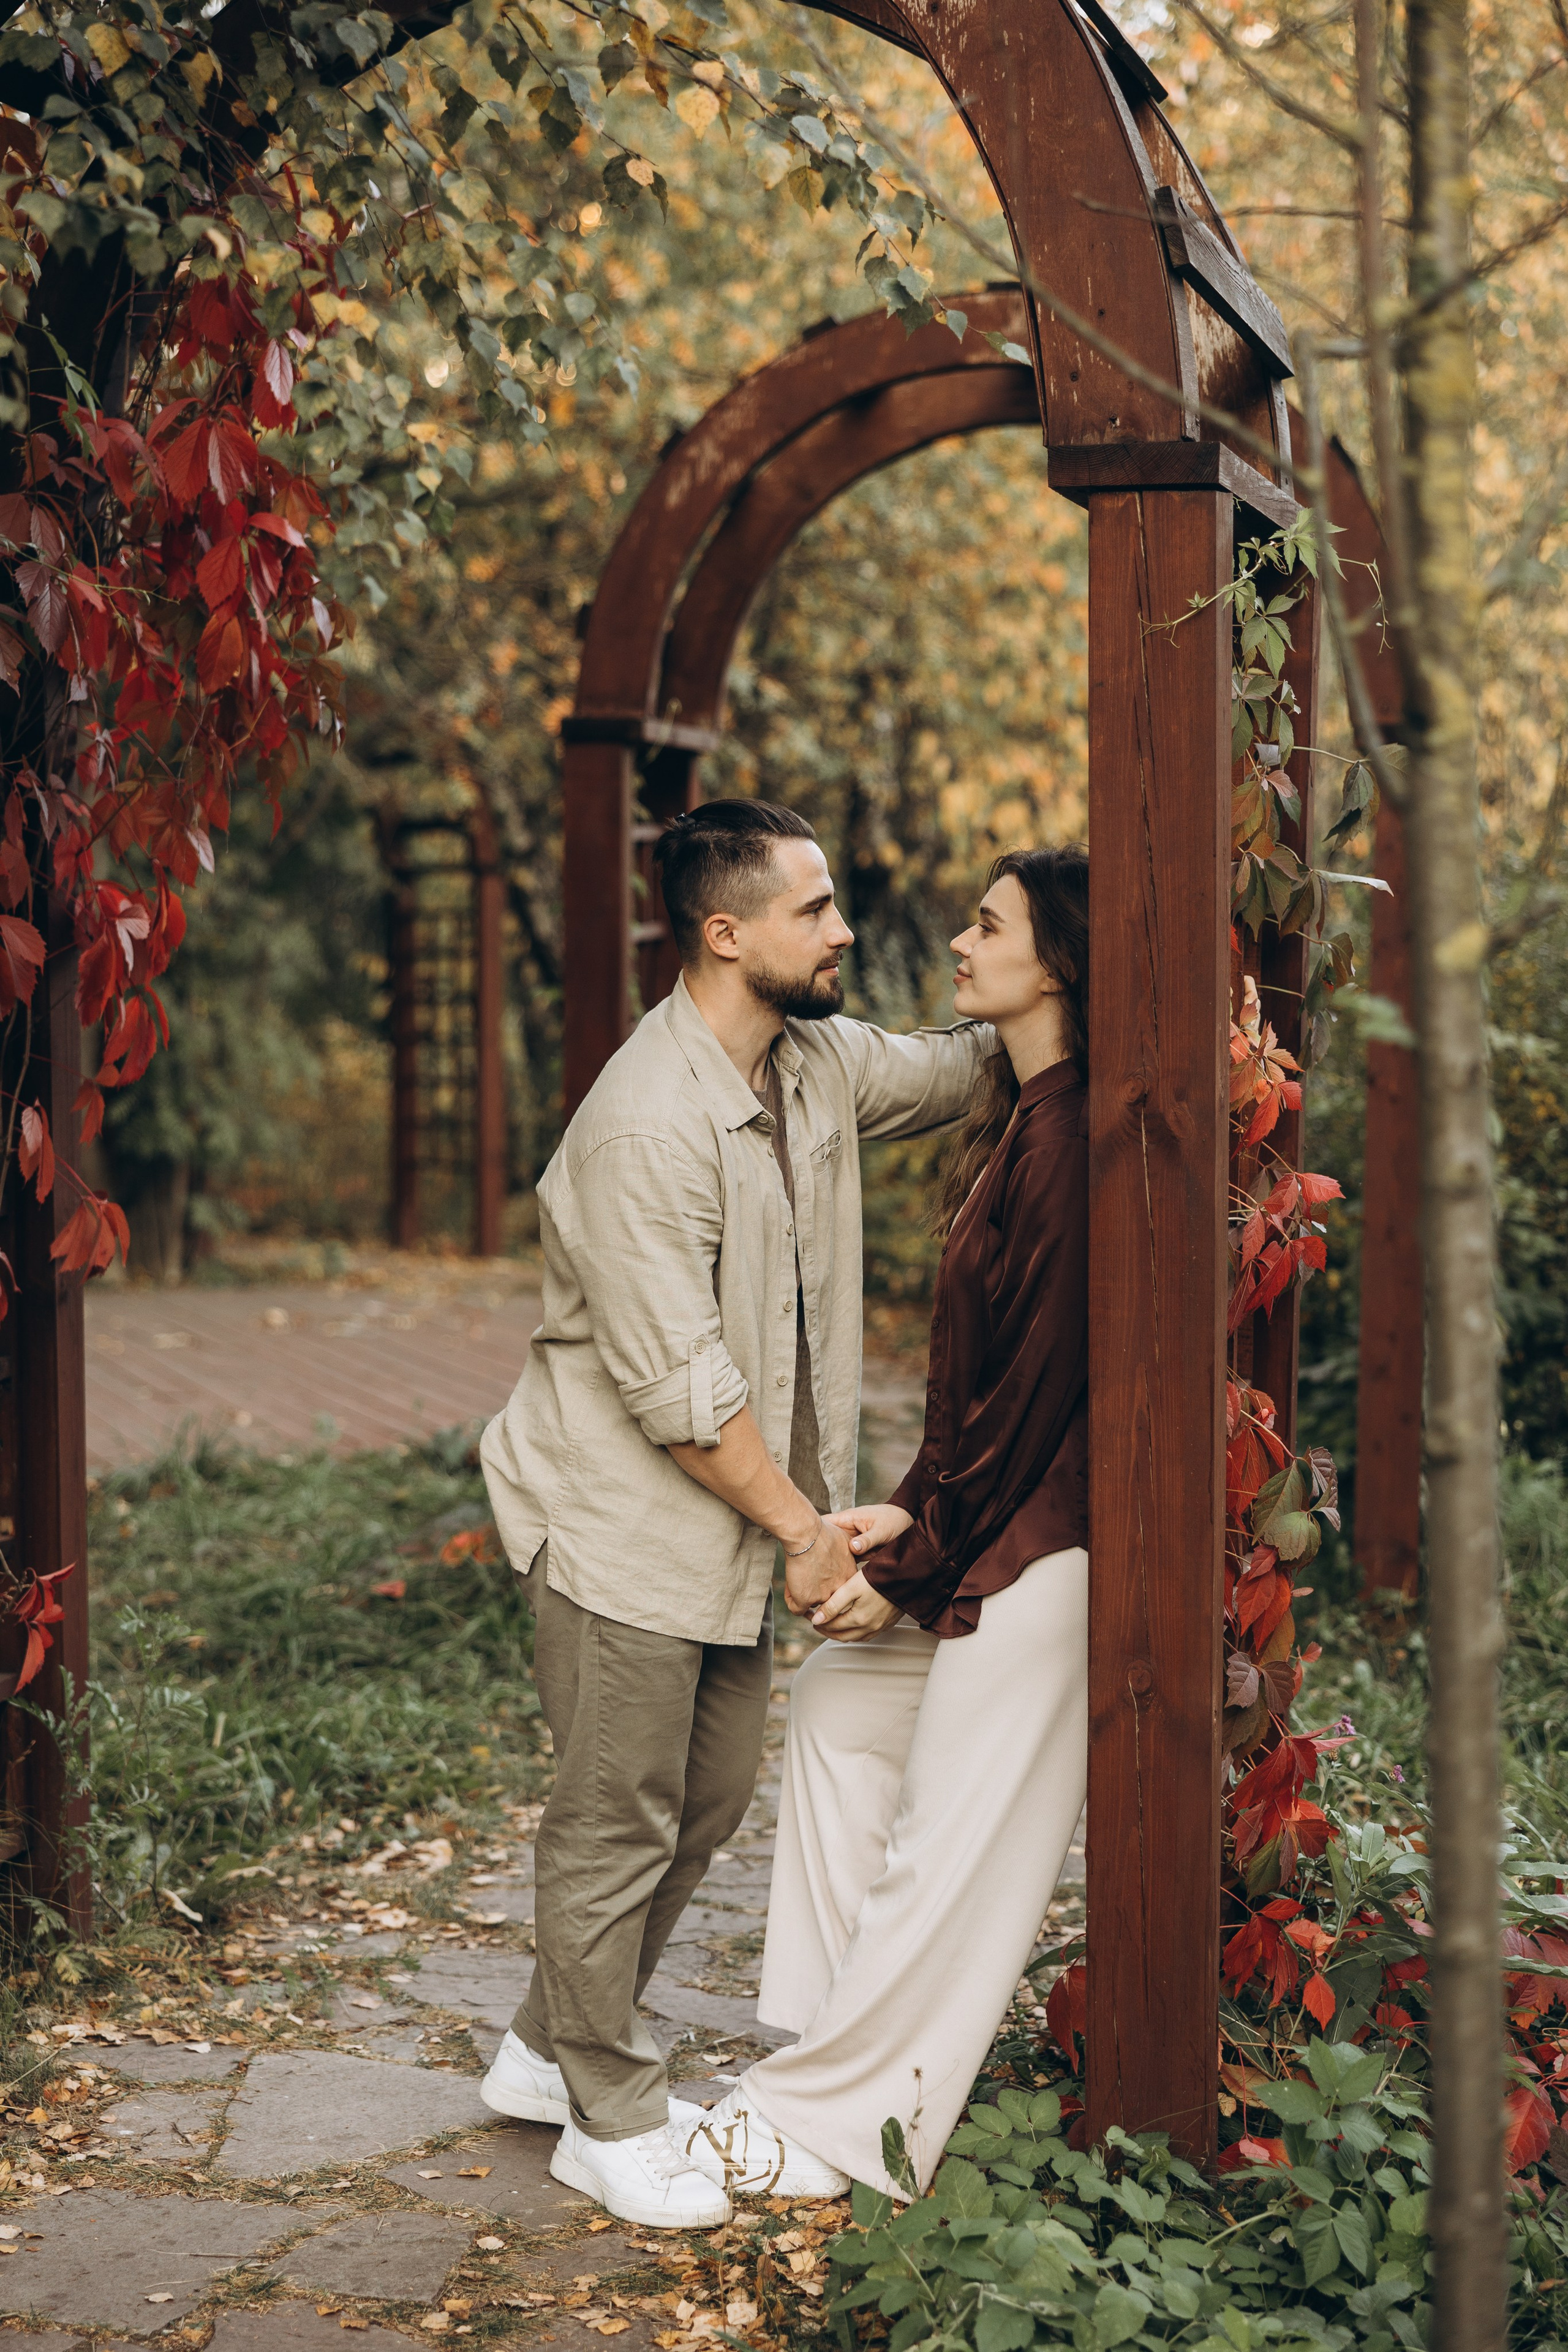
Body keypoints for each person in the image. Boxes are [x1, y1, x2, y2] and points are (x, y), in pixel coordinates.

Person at [477, 799, 990, 2229]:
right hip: (627, 1527)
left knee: (699, 1801)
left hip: (725, 1538)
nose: (843, 930)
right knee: (613, 1820)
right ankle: (607, 2113)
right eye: (815, 909)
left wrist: (1072, 976)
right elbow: (685, 1398)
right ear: (726, 933)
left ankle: (539, 2047)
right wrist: (809, 1532)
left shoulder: (810, 1065)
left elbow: (957, 1070)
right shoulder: (640, 1126)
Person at [673, 844, 1090, 2203]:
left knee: (947, 1848)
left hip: (1056, 1551)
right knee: (846, 1708)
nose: (957, 945)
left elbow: (1036, 1404)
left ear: (1059, 962)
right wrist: (900, 1513)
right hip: (996, 1524)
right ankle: (829, 2051)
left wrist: (915, 1564)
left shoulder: (1076, 1141)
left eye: (987, 926)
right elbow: (972, 1395)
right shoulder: (1023, 1123)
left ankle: (842, 2123)